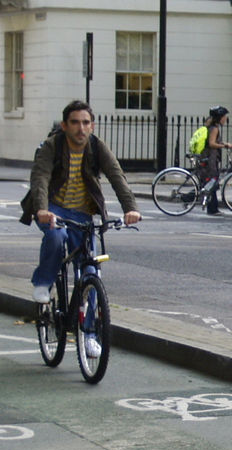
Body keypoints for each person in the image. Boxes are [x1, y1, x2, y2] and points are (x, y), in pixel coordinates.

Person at [23, 100, 141, 357]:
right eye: (75, 123)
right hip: (54, 208)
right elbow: (40, 178)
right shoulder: (52, 147)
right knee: (56, 237)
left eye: (86, 123)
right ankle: (43, 284)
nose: (81, 128)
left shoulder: (97, 147)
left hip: (84, 213)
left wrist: (130, 208)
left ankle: (88, 334)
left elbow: (116, 175)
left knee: (91, 271)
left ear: (92, 125)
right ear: (65, 125)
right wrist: (42, 209)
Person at [197, 105, 232, 215]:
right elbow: (212, 143)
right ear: (219, 117)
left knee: (210, 183)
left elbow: (213, 142)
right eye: (224, 116)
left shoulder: (211, 126)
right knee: (212, 183)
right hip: (210, 160)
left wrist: (225, 144)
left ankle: (212, 208)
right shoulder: (214, 129)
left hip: (209, 158)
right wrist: (223, 146)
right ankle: (212, 209)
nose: (226, 119)